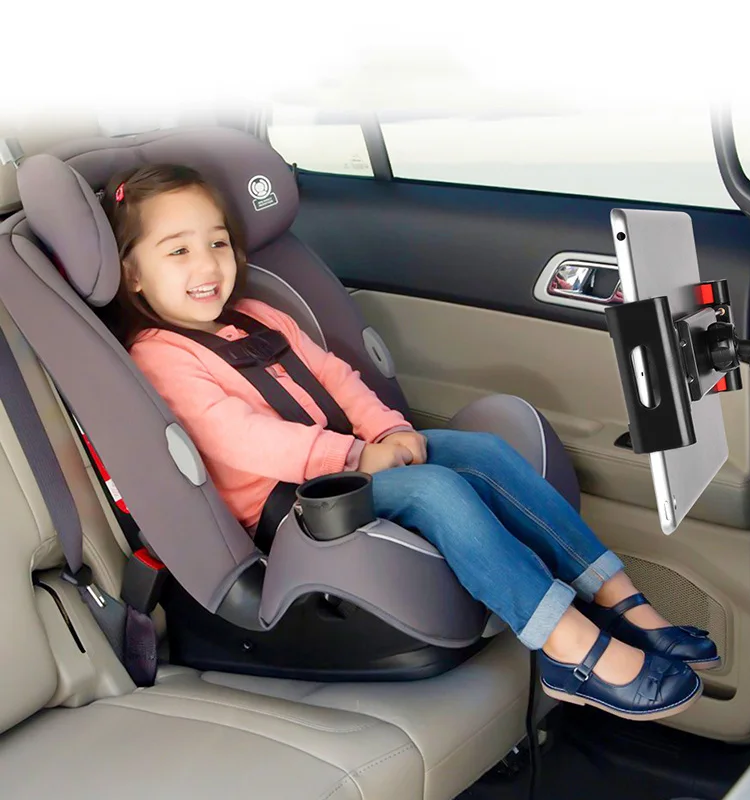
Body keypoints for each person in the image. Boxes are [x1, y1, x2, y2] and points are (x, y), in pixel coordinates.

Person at [100, 163, 718, 721]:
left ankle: (619, 600)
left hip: (349, 464)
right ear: (132, 273)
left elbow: (336, 377)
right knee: (434, 491)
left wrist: (387, 430)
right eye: (177, 251)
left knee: (483, 452)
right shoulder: (159, 356)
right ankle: (567, 648)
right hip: (289, 506)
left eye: (217, 243)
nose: (207, 265)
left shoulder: (260, 314)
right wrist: (353, 455)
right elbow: (241, 437)